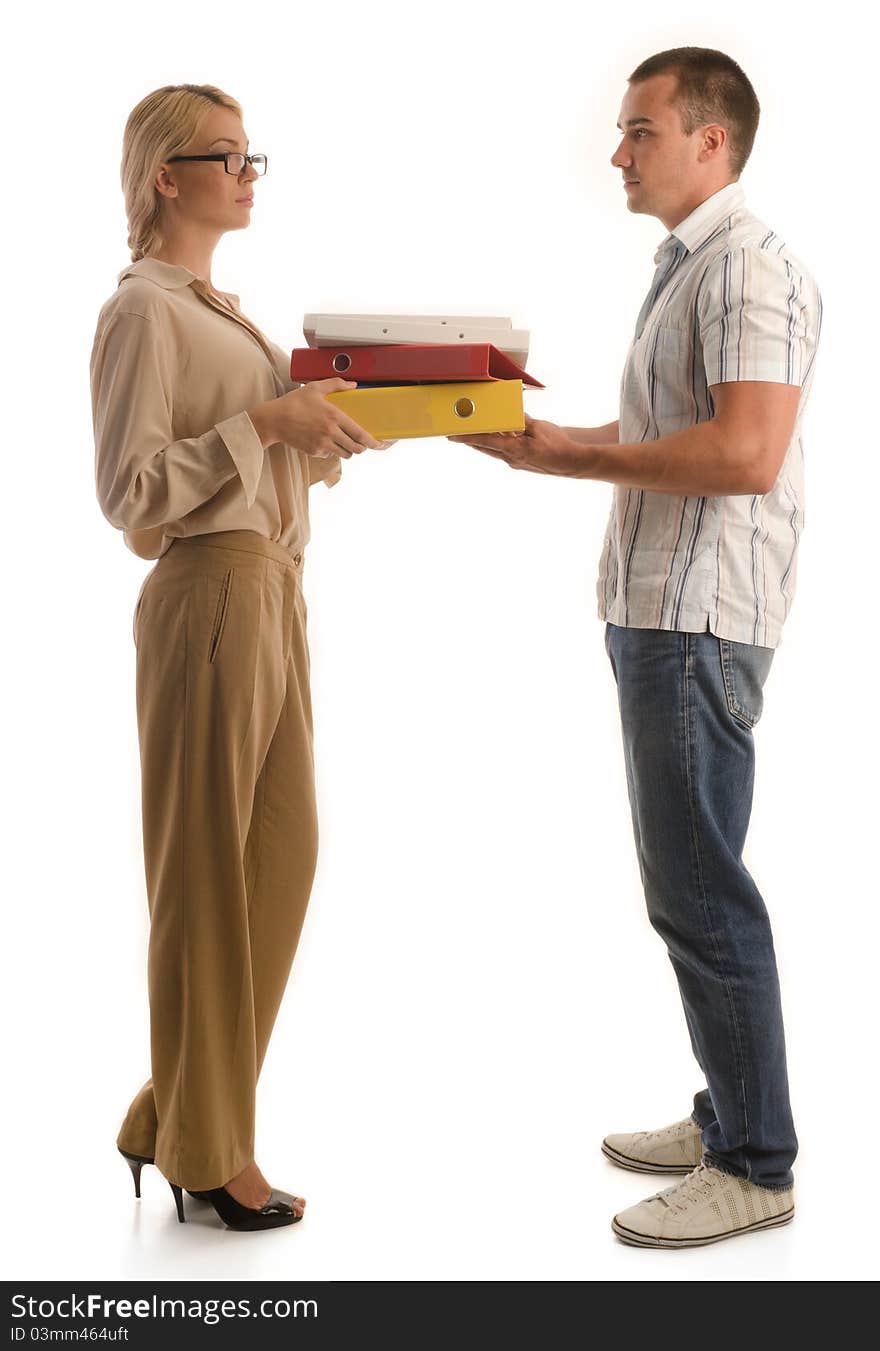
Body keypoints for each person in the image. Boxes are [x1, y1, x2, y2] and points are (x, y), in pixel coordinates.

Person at [448, 47, 822, 1248]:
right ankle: (730, 1117)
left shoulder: (748, 267)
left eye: (639, 131)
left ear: (710, 141)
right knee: (691, 885)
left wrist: (578, 459)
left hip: (695, 621)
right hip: (658, 612)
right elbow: (679, 432)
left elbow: (743, 454)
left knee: (701, 894)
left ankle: (757, 1165)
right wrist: (547, 443)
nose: (616, 152)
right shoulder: (693, 264)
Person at [90, 83, 387, 1233]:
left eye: (253, 154)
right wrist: (266, 426)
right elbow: (132, 497)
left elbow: (248, 462)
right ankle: (211, 1152)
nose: (249, 170)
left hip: (272, 588)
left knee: (277, 861)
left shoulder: (224, 311)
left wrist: (320, 438)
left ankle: (172, 1113)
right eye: (230, 154)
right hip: (208, 590)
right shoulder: (144, 314)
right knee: (207, 875)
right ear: (168, 175)